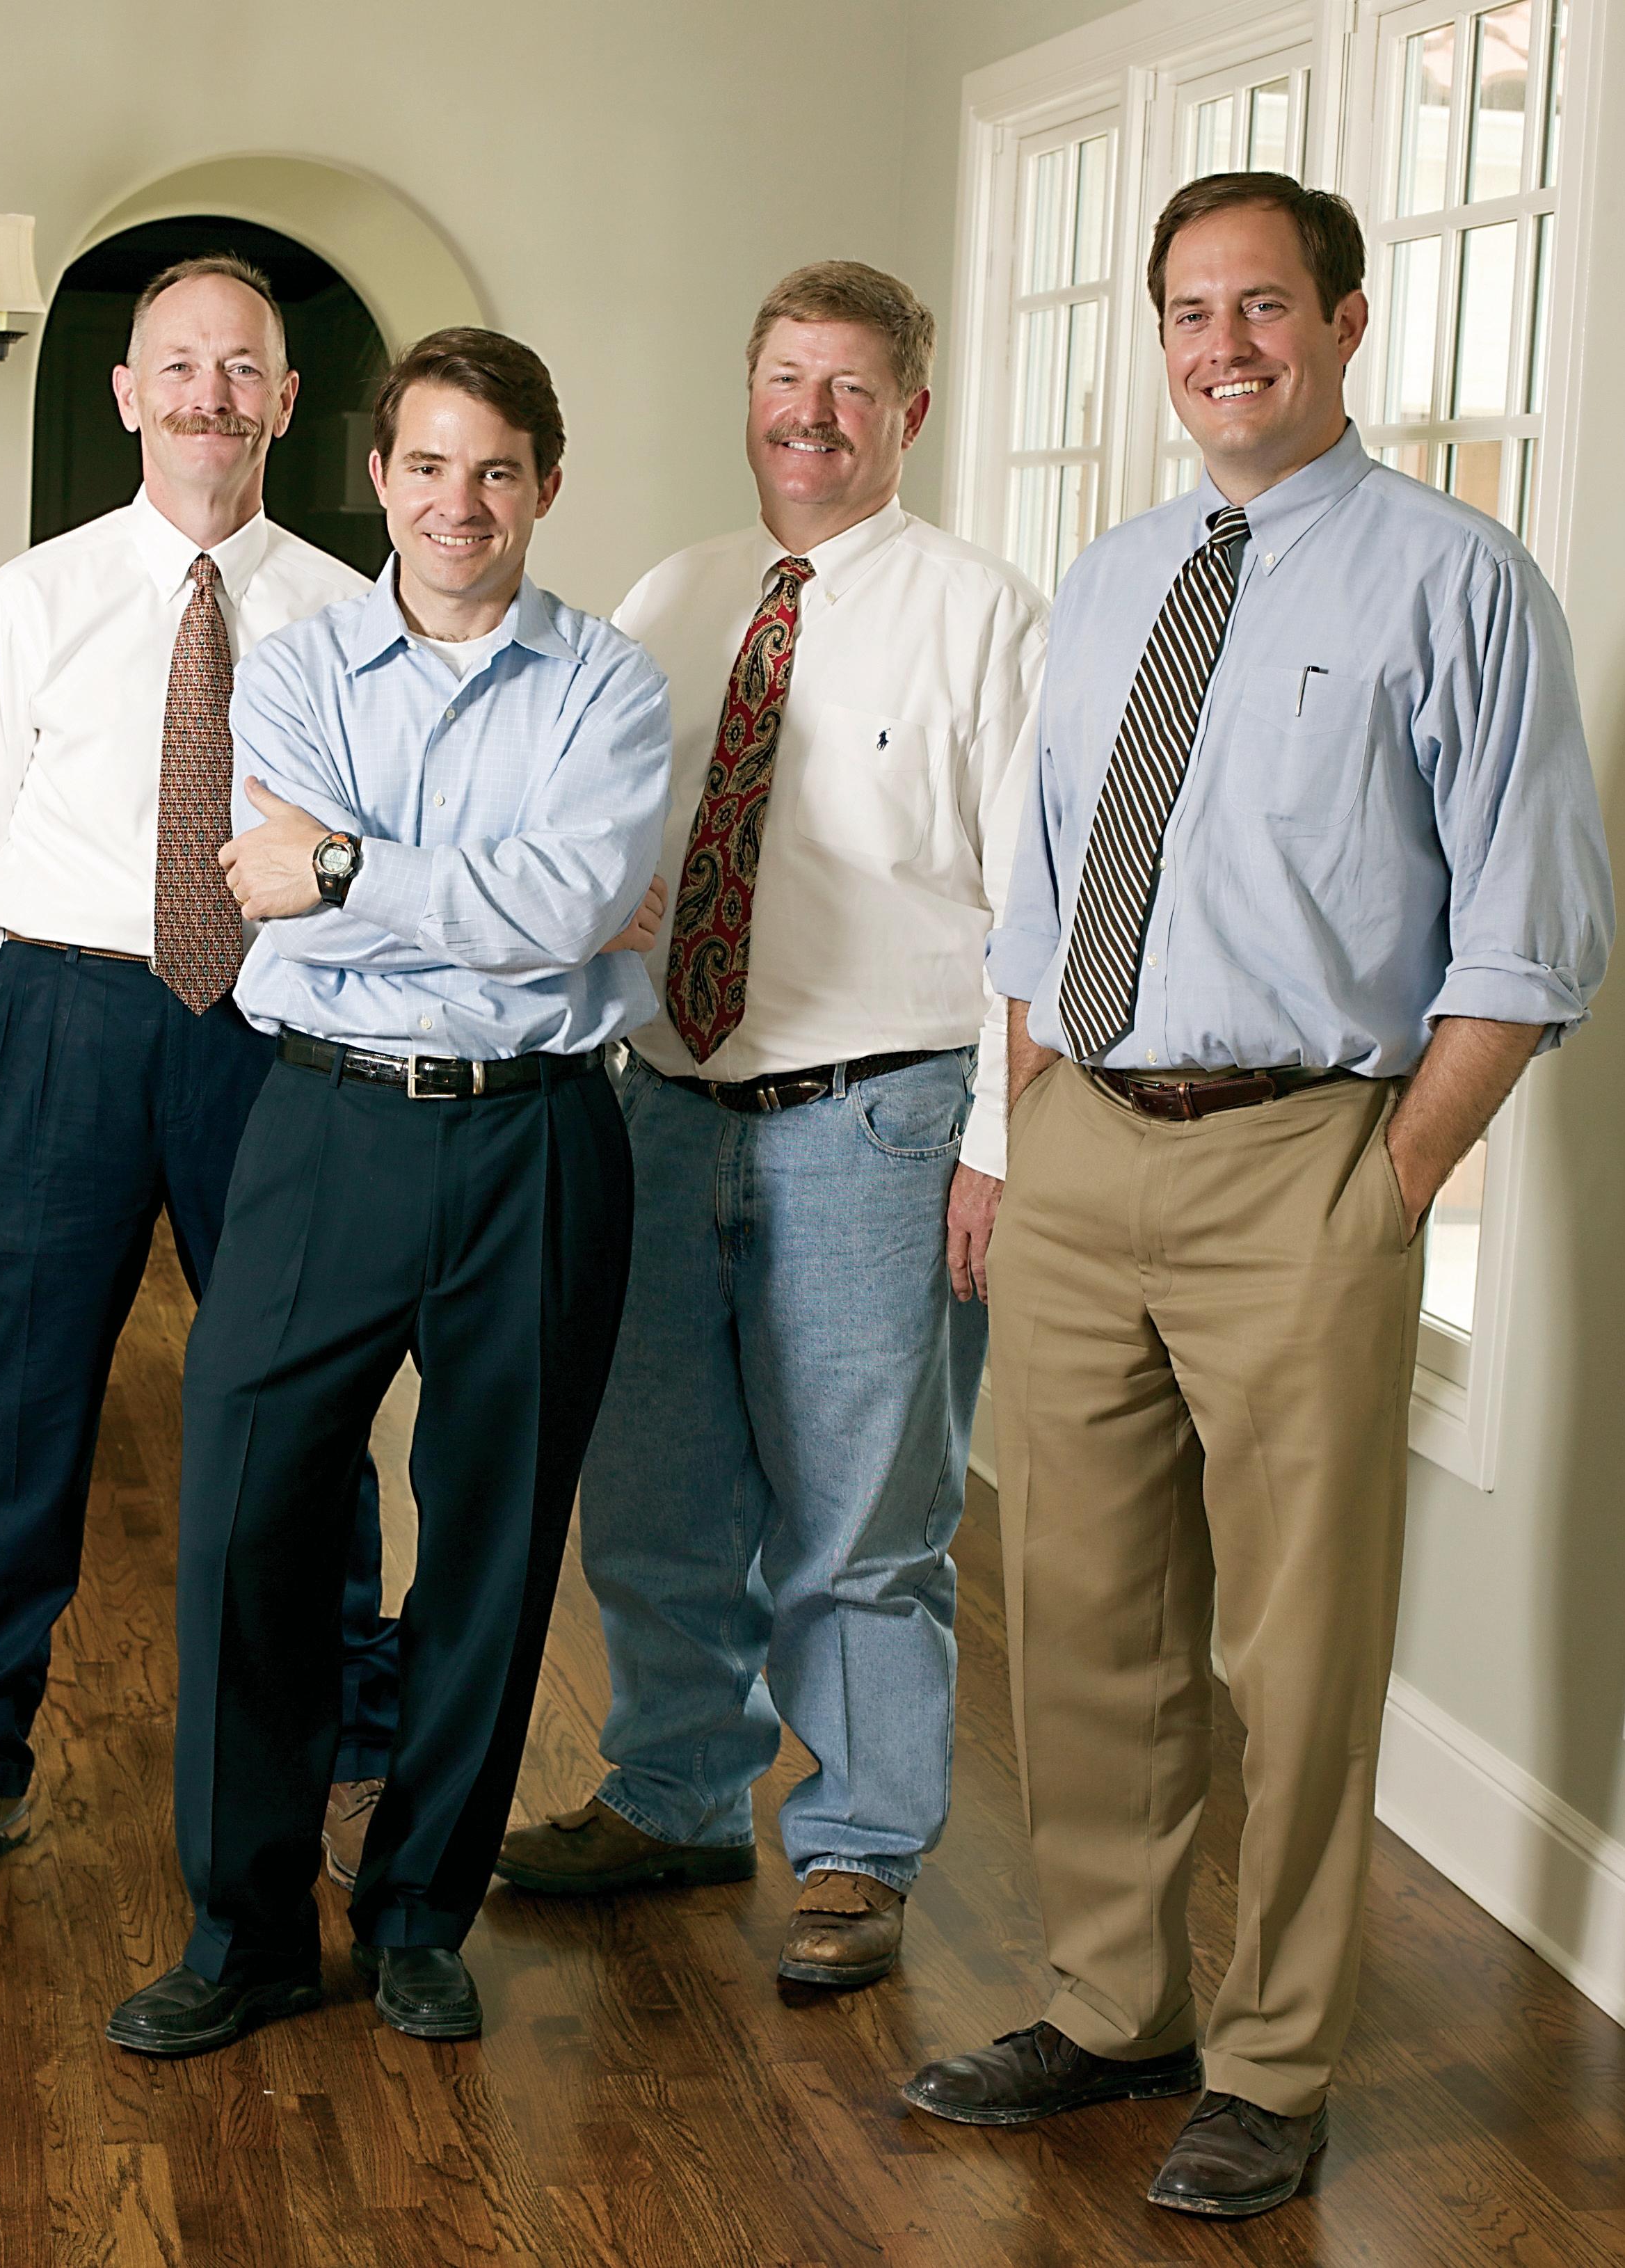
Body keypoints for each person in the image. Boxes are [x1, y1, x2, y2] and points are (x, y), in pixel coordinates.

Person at [901, 175, 1612, 2217]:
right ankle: (1112, 2004)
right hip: (1083, 1139)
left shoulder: (1455, 581)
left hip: (1305, 1153)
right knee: (1078, 1612)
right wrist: (1022, 1117)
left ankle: (1275, 2057)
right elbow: (1043, 888)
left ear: (1345, 323)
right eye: (1190, 313)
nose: (1224, 347)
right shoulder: (1116, 575)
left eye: (1264, 307)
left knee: (1292, 1653)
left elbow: (1532, 936)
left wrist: (1386, 1184)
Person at [105, 327, 671, 2057]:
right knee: (248, 1517)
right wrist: (472, 896)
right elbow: (282, 893)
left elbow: (567, 907)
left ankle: (422, 1913)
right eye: (427, 464)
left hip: (538, 1139)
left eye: (495, 468)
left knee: (494, 1540)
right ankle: (247, 1928)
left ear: (546, 485)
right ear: (377, 477)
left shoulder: (611, 686)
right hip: (324, 1124)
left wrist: (348, 863)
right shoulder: (292, 673)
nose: (458, 502)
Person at [495, 262, 1048, 1991]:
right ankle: (672, 1795)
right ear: (750, 395)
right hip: (663, 1109)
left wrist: (995, 1149)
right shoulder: (673, 598)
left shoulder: (986, 619)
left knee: (863, 1521)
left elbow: (1040, 920)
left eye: (850, 387)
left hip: (878, 1122)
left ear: (909, 415)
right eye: (785, 380)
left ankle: (861, 1846)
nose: (810, 416)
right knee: (651, 1490)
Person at [0, 257, 402, 1908]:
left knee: (308, 1405)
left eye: (241, 369)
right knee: (19, 1403)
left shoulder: (351, 615)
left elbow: (370, 851)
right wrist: (47, 997)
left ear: (287, 403)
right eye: (179, 365)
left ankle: (347, 1751)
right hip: (64, 1021)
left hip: (276, 1034)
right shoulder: (32, 599)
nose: (208, 396)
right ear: (127, 393)